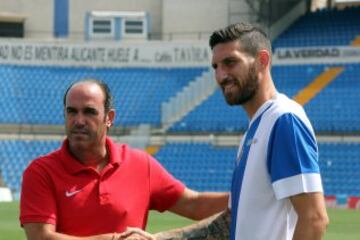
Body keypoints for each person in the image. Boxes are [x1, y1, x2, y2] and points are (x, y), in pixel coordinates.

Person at [123, 22, 329, 240]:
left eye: (230, 63)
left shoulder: (283, 120)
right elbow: (231, 220)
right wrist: (158, 238)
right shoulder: (256, 129)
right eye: (216, 67)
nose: (221, 76)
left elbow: (314, 218)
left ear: (262, 60)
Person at [20, 79, 229, 240]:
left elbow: (195, 205)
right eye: (71, 111)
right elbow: (41, 237)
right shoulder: (41, 171)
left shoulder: (140, 165)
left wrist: (247, 196)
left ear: (109, 118)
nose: (79, 120)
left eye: (90, 112)